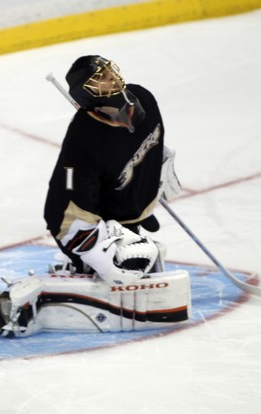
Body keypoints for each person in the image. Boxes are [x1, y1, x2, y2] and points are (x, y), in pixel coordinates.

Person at [43, 55, 181, 285]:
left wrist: (146, 192)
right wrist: (95, 254)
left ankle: (125, 230)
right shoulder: (85, 140)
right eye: (100, 78)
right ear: (86, 93)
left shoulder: (143, 97)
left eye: (109, 70)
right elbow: (69, 199)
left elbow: (150, 143)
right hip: (97, 219)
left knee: (142, 256)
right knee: (126, 262)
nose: (112, 77)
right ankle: (79, 262)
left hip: (123, 204)